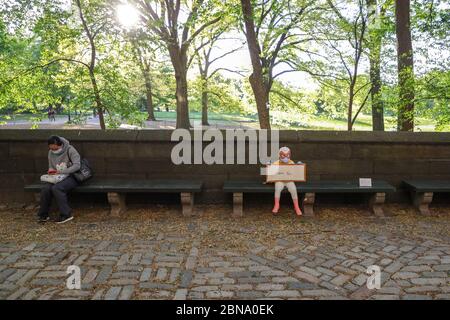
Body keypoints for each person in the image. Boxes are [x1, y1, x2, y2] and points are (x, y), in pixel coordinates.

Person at [37, 136, 81, 224]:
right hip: (56, 176)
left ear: (60, 145)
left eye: (56, 148)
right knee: (46, 189)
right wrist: (51, 171)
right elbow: (51, 165)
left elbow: (77, 165)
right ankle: (43, 214)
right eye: (52, 149)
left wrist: (63, 171)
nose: (54, 150)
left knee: (57, 188)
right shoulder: (50, 152)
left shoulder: (70, 149)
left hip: (71, 176)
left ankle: (66, 214)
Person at [271, 146, 303, 216]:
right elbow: (272, 171)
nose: (285, 157)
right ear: (279, 155)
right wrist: (270, 166)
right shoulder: (276, 163)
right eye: (283, 155)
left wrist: (298, 166)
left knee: (293, 189)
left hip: (289, 180)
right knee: (278, 189)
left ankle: (296, 206)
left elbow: (295, 171)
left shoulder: (291, 162)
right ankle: (276, 205)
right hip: (280, 180)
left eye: (287, 155)